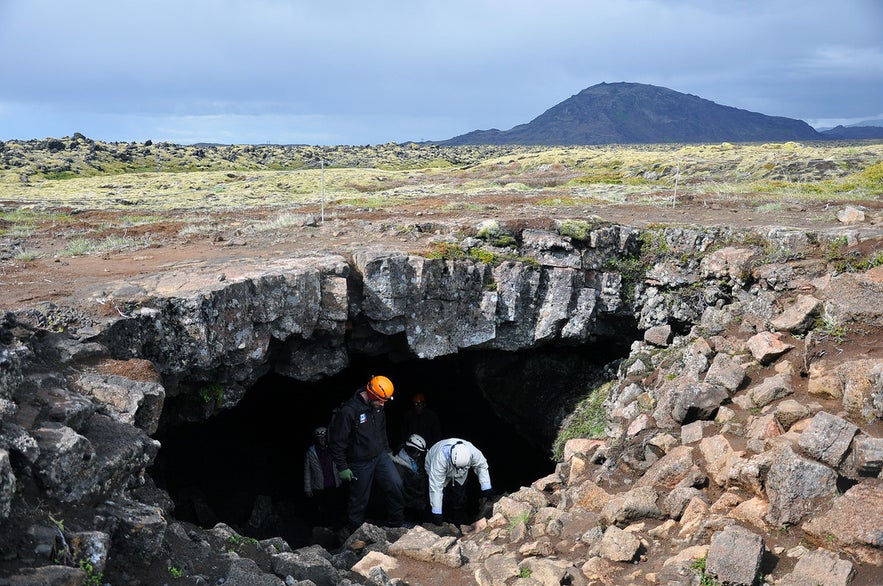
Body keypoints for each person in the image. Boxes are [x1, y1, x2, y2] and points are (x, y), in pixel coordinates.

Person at [329, 375, 405, 532]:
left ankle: (396, 525)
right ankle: (355, 535)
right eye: (379, 400)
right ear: (370, 394)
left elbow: (381, 430)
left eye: (384, 400)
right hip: (360, 462)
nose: (382, 404)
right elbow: (337, 441)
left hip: (380, 456)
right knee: (359, 499)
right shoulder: (349, 411)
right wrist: (342, 466)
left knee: (396, 485)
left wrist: (387, 450)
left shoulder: (378, 407)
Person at [425, 438, 492, 526]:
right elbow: (436, 487)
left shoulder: (472, 451)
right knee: (442, 496)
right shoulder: (439, 459)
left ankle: (458, 519)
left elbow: (481, 466)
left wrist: (486, 488)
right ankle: (442, 517)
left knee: (458, 496)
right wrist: (436, 512)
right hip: (436, 468)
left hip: (460, 474)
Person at [302, 426, 340, 528]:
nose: (322, 439)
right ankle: (322, 529)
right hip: (318, 486)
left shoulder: (333, 449)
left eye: (324, 437)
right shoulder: (310, 452)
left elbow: (340, 465)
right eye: (319, 437)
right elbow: (307, 471)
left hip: (333, 483)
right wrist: (308, 489)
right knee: (320, 509)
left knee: (334, 507)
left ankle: (334, 528)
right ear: (316, 439)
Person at [391, 434, 429, 522]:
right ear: (411, 449)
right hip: (406, 503)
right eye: (417, 452)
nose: (419, 454)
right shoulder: (398, 466)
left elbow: (422, 479)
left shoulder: (417, 460)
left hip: (417, 499)